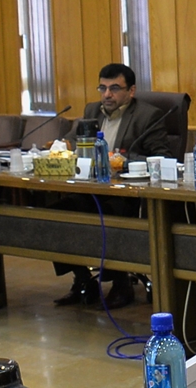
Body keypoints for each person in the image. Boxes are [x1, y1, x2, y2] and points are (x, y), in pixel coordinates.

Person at [54, 63, 171, 308]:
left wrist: (120, 159)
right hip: (91, 189)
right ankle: (83, 279)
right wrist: (61, 146)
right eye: (103, 88)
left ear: (131, 91)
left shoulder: (148, 116)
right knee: (61, 212)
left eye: (115, 88)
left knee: (108, 215)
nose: (107, 94)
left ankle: (121, 283)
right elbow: (74, 140)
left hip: (128, 195)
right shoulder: (92, 110)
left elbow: (162, 157)